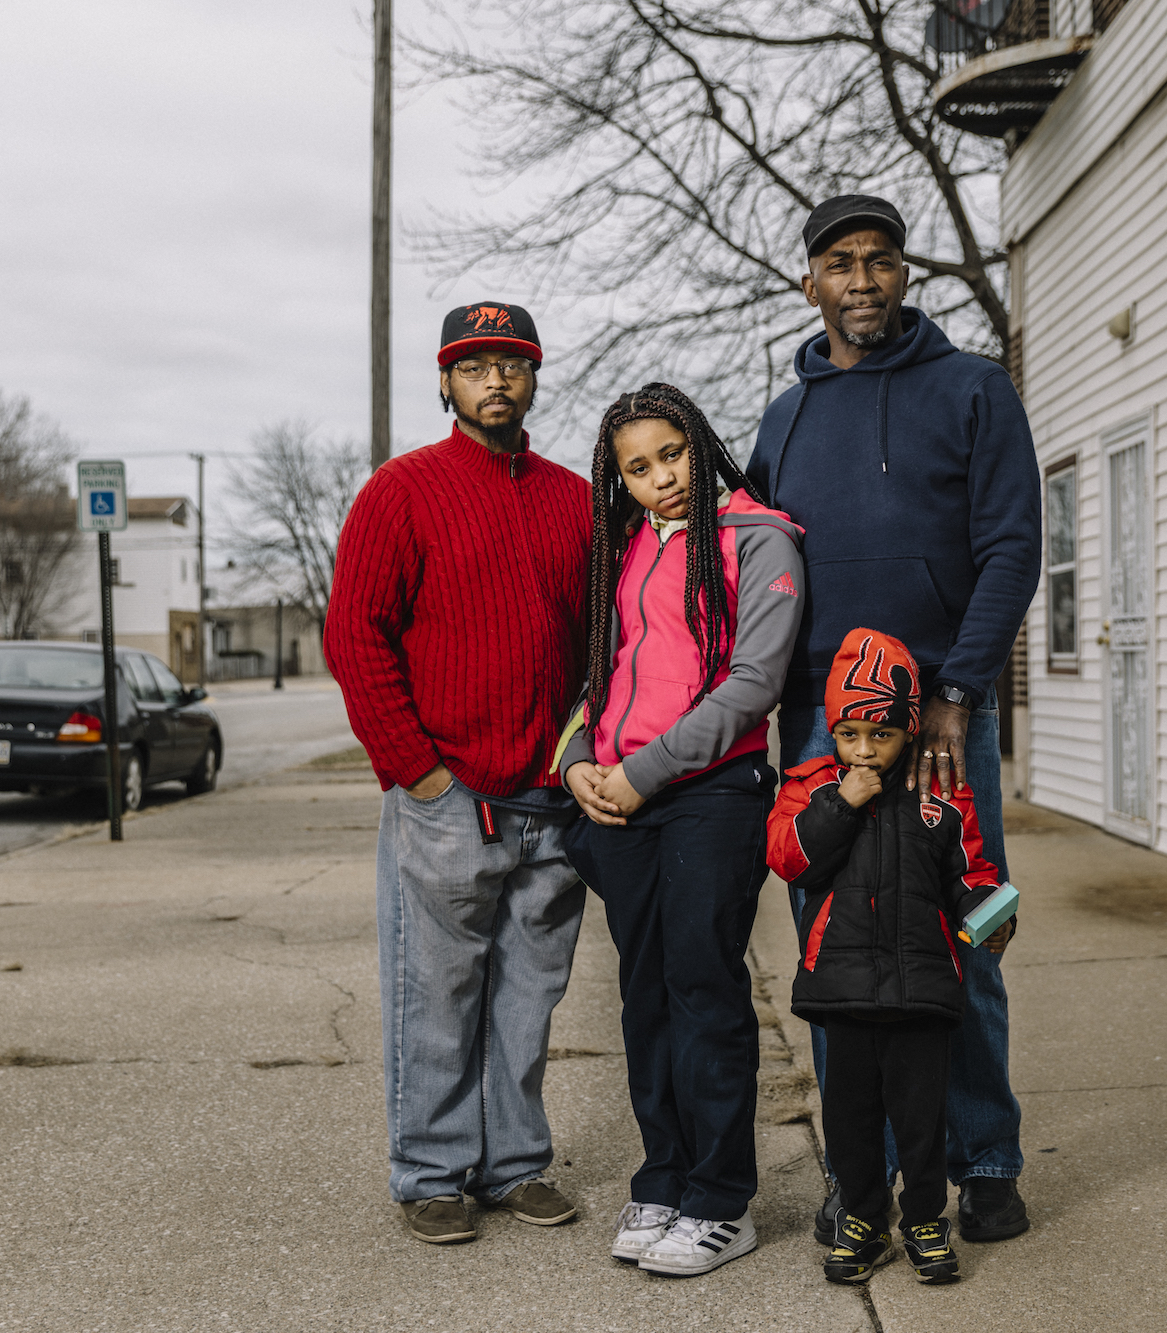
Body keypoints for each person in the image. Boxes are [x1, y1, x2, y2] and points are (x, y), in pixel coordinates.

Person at [744, 194, 1042, 1243]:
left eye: (877, 260)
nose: (860, 279)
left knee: (960, 927)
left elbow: (1010, 547)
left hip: (939, 714)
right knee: (834, 951)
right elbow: (748, 566)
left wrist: (957, 690)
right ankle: (859, 1178)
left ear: (901, 274)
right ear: (808, 282)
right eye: (838, 262)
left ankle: (984, 1157)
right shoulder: (782, 419)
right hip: (818, 723)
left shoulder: (971, 390)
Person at [325, 302, 591, 1246]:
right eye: (474, 366)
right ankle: (431, 1171)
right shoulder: (400, 492)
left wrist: (582, 759)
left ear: (533, 378)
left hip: (550, 802)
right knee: (436, 994)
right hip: (450, 797)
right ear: (446, 382)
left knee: (528, 996)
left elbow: (603, 642)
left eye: (512, 364)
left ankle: (514, 1163)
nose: (495, 381)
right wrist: (418, 772)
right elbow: (355, 636)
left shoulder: (574, 498)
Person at [558, 383, 806, 1277]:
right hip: (622, 801)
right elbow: (607, 668)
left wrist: (641, 771)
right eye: (638, 467)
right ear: (617, 480)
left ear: (702, 446)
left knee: (704, 987)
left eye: (673, 454)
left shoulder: (759, 539)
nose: (661, 478)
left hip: (710, 795)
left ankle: (719, 1201)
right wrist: (579, 755)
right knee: (646, 992)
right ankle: (662, 1179)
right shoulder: (629, 550)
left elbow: (752, 685)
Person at [768, 628, 1006, 1286]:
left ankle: (926, 1218)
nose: (865, 750)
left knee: (921, 1113)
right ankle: (863, 1220)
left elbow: (971, 868)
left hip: (920, 987)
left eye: (882, 734)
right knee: (850, 1118)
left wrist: (988, 909)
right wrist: (842, 805)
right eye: (849, 733)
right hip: (841, 988)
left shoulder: (940, 793)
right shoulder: (811, 786)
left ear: (909, 731)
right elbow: (789, 857)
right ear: (832, 732)